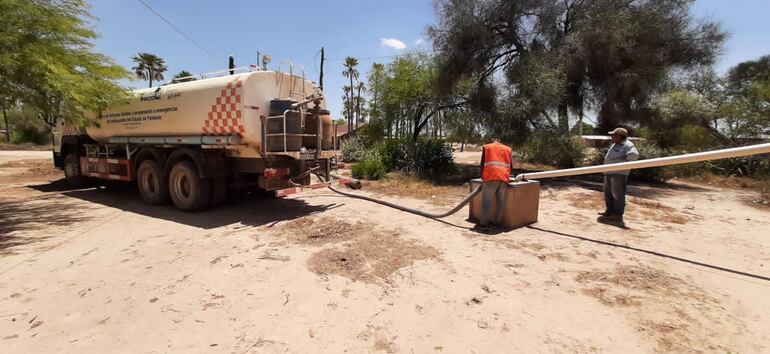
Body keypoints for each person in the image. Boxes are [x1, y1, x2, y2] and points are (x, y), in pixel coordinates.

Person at [598, 127, 639, 225]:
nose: (611, 137)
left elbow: (634, 155)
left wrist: (622, 162)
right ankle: (610, 212)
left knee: (618, 195)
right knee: (608, 193)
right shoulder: (615, 144)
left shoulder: (627, 145)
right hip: (608, 172)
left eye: (614, 135)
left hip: (618, 173)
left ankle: (617, 216)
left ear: (620, 136)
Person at [478, 137, 513, 230]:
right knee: (500, 202)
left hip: (491, 177)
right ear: (500, 141)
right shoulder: (507, 149)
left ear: (491, 141)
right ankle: (496, 222)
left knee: (486, 201)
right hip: (504, 177)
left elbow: (482, 163)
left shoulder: (487, 147)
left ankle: (483, 224)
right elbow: (511, 165)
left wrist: (482, 176)